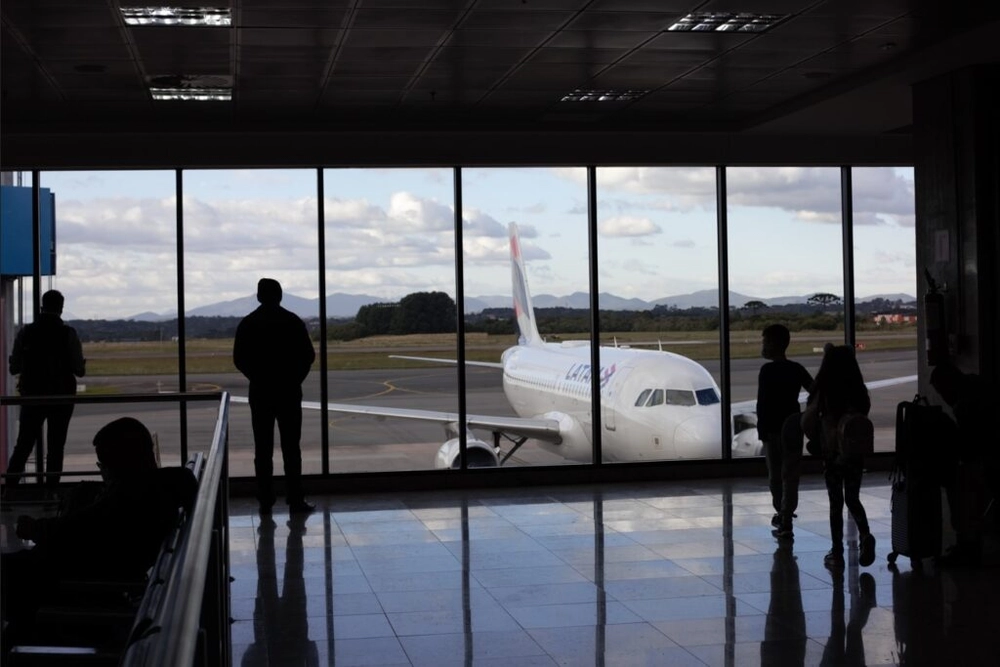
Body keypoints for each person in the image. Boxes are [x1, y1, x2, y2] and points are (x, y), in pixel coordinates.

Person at [0, 417, 198, 629]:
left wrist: (35, 528)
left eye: (104, 465)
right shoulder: (160, 488)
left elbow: (74, 529)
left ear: (123, 464)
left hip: (72, 579)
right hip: (97, 569)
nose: (102, 471)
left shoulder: (127, 498)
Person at [234, 278, 316, 514]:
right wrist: (293, 380)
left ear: (259, 296)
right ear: (280, 296)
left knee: (262, 449)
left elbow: (239, 359)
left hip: (261, 393)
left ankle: (266, 499)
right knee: (292, 448)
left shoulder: (248, 323)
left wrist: (258, 377)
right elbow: (308, 356)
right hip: (289, 392)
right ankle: (295, 498)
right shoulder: (292, 322)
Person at [5, 289, 86, 495]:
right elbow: (79, 370)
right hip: (62, 397)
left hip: (32, 396)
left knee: (23, 445)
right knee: (56, 447)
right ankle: (51, 490)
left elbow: (14, 367)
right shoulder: (68, 333)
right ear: (61, 308)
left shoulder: (26, 332)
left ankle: (10, 489)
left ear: (42, 306)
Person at [806, 344, 876, 569]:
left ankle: (837, 552)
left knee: (835, 503)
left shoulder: (824, 388)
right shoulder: (858, 388)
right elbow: (864, 411)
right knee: (853, 498)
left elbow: (810, 416)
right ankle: (865, 535)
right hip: (854, 452)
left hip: (832, 453)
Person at [929, 360, 997, 565]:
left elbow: (971, 445)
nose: (943, 397)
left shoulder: (966, 404)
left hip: (988, 458)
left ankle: (968, 544)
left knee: (961, 486)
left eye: (942, 391)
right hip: (989, 455)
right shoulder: (976, 389)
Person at [756, 324, 813, 539]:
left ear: (773, 344)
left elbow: (762, 404)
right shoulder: (796, 368)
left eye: (764, 341)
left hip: (772, 430)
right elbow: (814, 390)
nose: (762, 346)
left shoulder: (767, 371)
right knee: (790, 475)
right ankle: (787, 516)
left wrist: (761, 429)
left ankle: (782, 513)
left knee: (775, 476)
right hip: (792, 428)